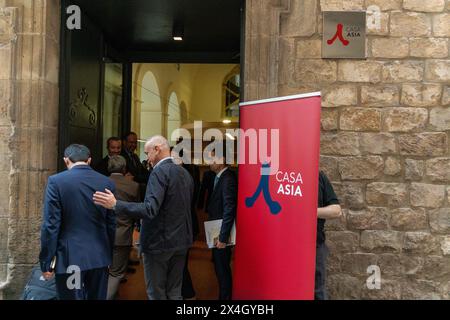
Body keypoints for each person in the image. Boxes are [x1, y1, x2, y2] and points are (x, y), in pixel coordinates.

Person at [93, 135, 194, 300]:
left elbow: (150, 209)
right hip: (181, 241)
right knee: (175, 292)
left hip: (159, 243)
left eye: (148, 153)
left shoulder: (159, 172)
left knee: (156, 293)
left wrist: (115, 204)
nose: (147, 159)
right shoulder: (184, 173)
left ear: (157, 149)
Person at [39, 144, 116, 300]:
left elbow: (51, 225)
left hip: (70, 258)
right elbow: (111, 224)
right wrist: (108, 255)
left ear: (66, 160)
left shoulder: (56, 182)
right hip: (99, 256)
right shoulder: (107, 182)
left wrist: (46, 261)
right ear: (89, 160)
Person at [106, 155, 140, 300]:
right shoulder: (133, 186)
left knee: (102, 271)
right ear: (124, 168)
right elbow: (137, 210)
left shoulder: (100, 183)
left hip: (101, 234)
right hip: (122, 235)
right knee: (117, 273)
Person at [207, 150, 237, 300]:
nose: (208, 160)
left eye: (212, 157)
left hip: (222, 234)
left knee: (222, 270)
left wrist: (223, 238)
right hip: (216, 230)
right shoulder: (220, 177)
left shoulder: (228, 179)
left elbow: (229, 209)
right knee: (219, 269)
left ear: (222, 159)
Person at [315, 171, 342, 300]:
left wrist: (308, 211)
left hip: (315, 245)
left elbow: (336, 210)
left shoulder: (319, 176)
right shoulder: (278, 175)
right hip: (281, 246)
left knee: (317, 290)